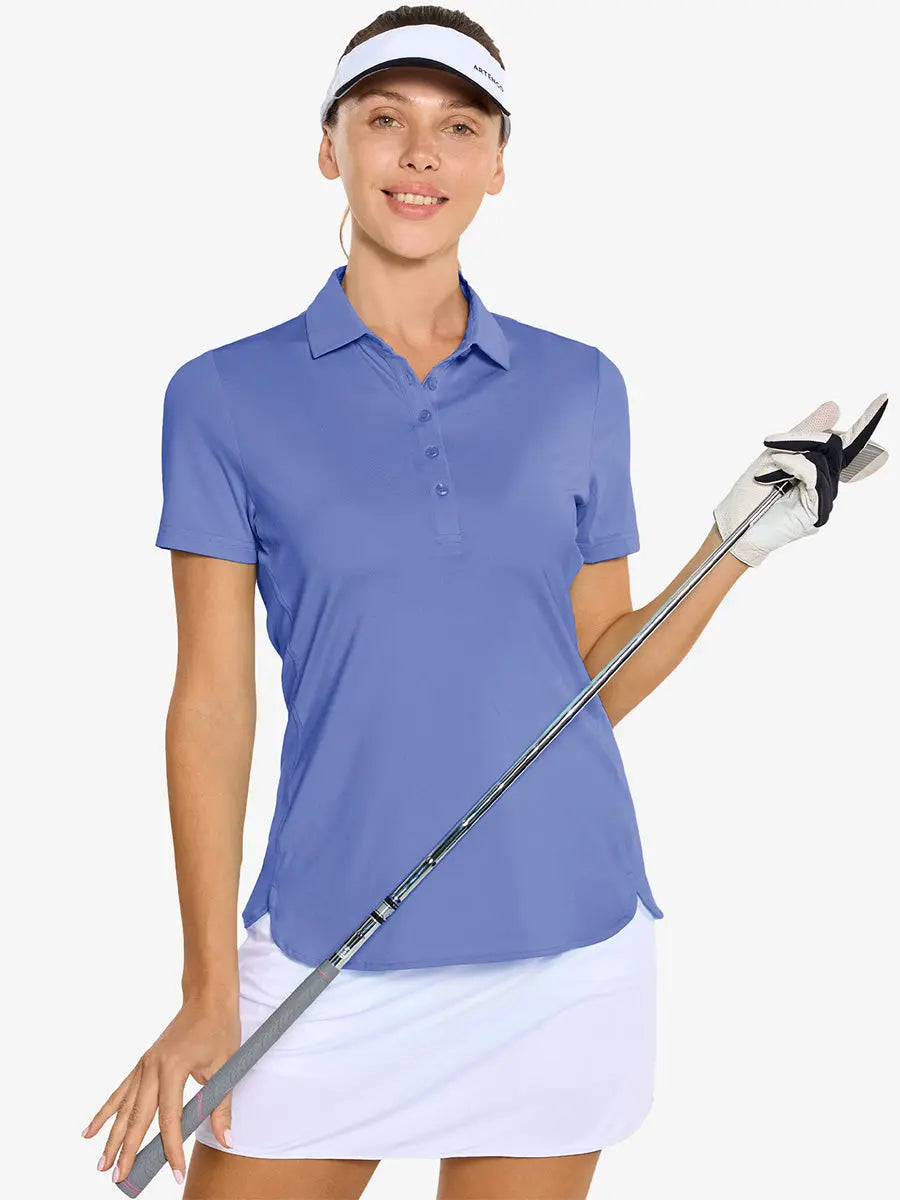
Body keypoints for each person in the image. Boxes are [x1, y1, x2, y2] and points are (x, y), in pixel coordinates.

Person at [81, 7, 888, 1199]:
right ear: (330, 147)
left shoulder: (580, 387)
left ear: (498, 164)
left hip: (562, 947)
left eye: (460, 126)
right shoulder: (220, 397)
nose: (422, 154)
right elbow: (211, 704)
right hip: (328, 942)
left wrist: (732, 549)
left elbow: (591, 680)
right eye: (386, 119)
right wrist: (209, 986)